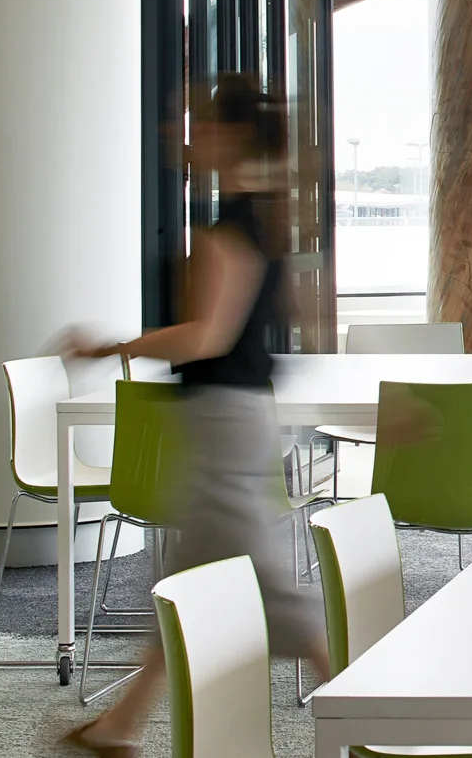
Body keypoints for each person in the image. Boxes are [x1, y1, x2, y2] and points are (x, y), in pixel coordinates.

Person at [60, 76, 327, 757]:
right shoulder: (260, 221)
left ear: (230, 137)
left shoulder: (227, 232)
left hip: (224, 422)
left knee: (263, 589)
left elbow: (206, 336)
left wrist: (111, 347)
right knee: (190, 580)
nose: (181, 134)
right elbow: (285, 318)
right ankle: (117, 726)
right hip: (235, 418)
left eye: (199, 123)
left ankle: (369, 706)